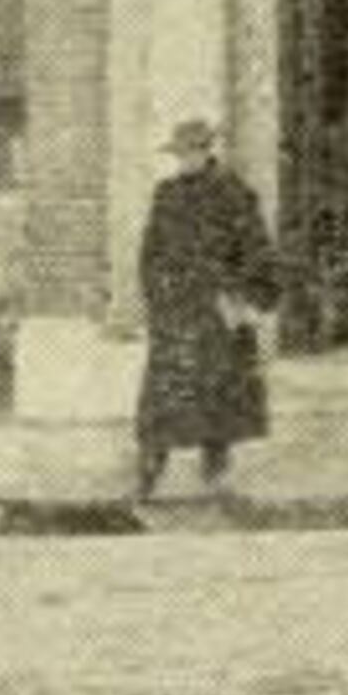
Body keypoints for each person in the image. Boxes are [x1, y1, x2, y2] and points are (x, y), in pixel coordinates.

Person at [133, 116, 277, 508]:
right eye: (179, 154)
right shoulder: (166, 195)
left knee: (221, 400)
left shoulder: (235, 194)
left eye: (191, 152)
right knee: (163, 401)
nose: (184, 161)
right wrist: (157, 297)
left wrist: (246, 296)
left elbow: (256, 249)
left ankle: (215, 478)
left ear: (207, 151)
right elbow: (151, 254)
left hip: (218, 310)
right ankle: (147, 477)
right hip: (177, 312)